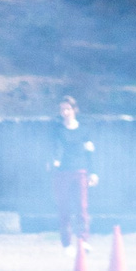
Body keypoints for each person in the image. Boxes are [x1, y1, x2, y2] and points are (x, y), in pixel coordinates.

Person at [49, 95, 97, 248]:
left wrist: (93, 172)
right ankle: (66, 244)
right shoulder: (57, 130)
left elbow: (89, 152)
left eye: (67, 109)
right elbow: (56, 148)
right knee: (64, 208)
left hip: (80, 172)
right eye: (62, 109)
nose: (65, 112)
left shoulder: (84, 131)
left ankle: (83, 240)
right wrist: (54, 161)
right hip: (62, 173)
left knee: (82, 208)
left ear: (74, 110)